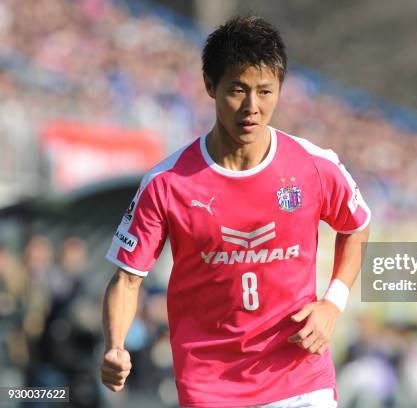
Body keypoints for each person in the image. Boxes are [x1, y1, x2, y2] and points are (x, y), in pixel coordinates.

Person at [100, 16, 370, 408]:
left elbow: (357, 227)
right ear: (210, 86)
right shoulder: (168, 183)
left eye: (265, 91)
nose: (252, 107)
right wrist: (115, 346)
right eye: (238, 90)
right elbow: (127, 279)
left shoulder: (313, 166)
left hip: (298, 376)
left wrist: (332, 304)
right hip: (211, 385)